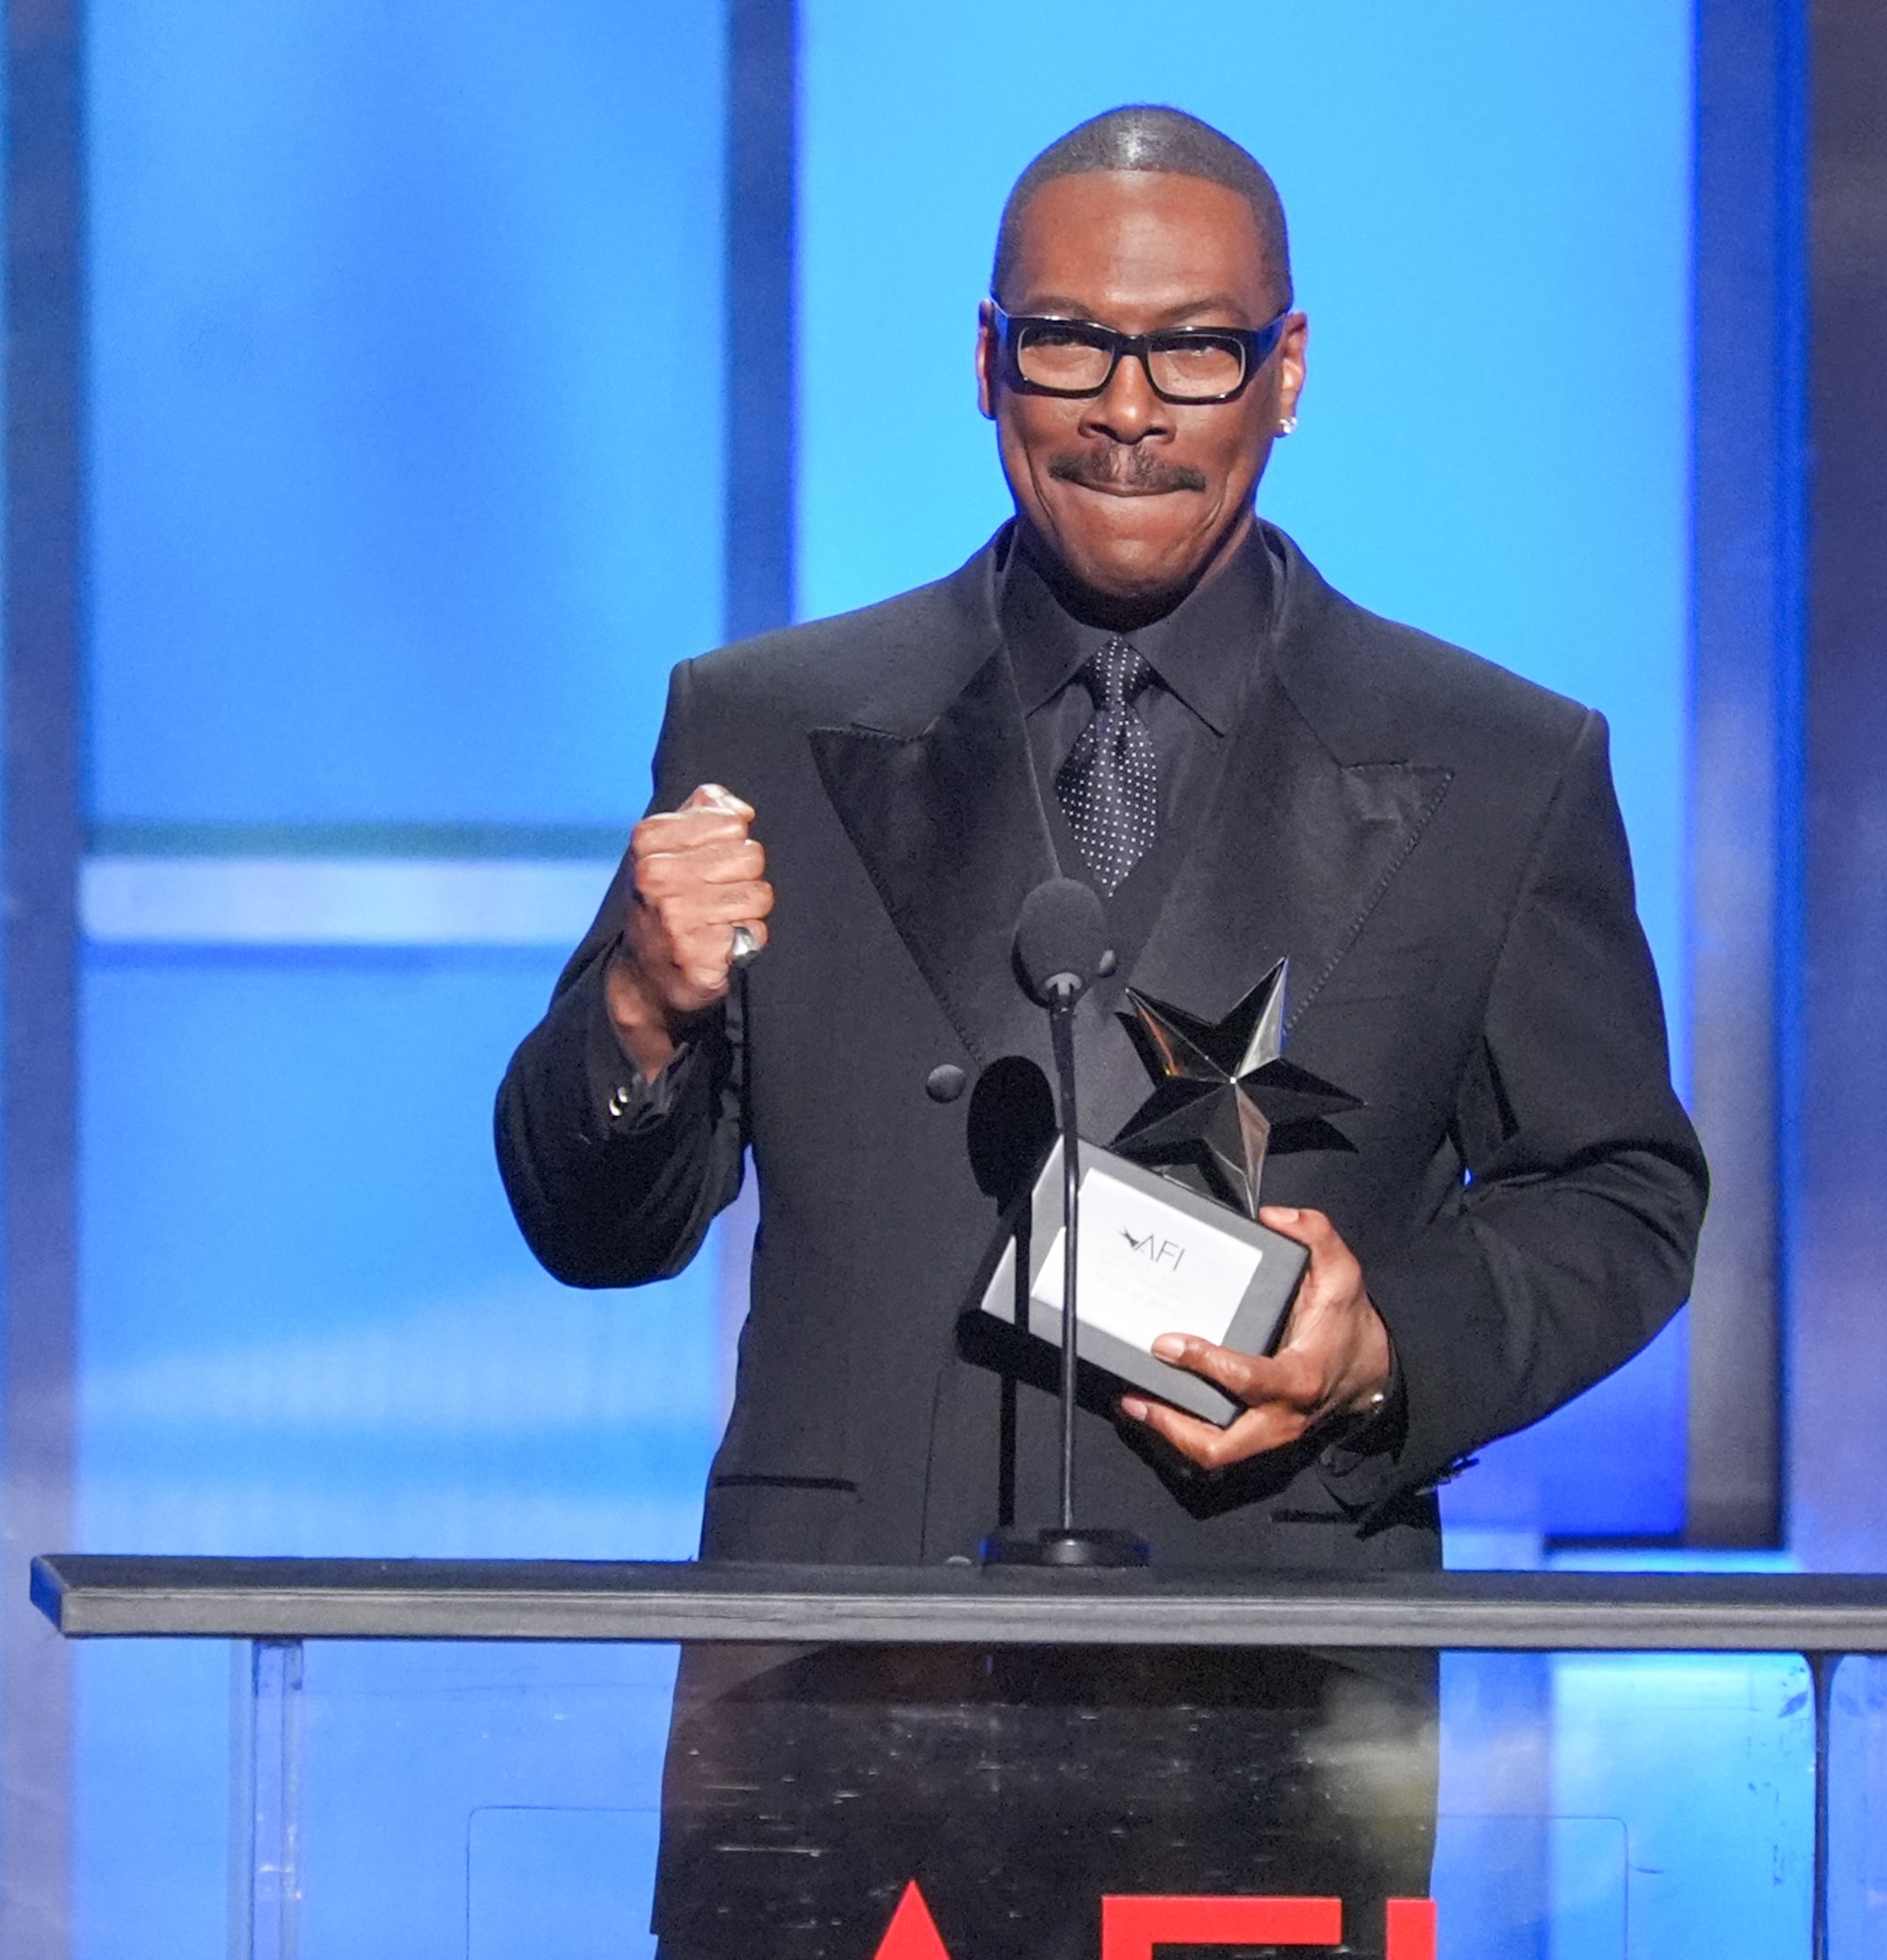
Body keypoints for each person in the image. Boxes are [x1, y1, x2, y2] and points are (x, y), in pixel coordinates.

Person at [496, 104, 1706, 1960]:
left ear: (1284, 371)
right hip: (833, 1711)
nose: (1128, 407)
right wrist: (644, 1010)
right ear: (990, 363)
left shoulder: (1499, 768)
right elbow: (599, 1228)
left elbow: (1621, 1193)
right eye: (1069, 341)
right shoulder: (764, 728)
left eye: (1194, 348)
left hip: (1261, 1705)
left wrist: (1384, 1341)